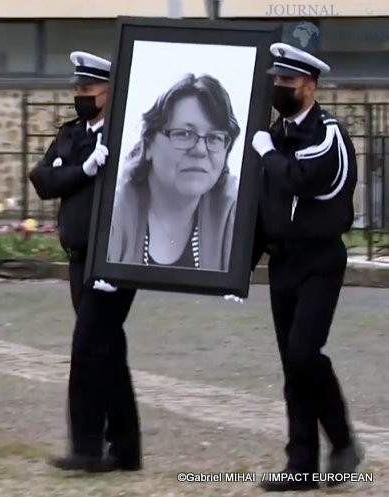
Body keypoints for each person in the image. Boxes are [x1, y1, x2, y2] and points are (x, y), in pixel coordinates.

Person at [249, 43, 363, 492]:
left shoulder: (327, 133)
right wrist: (241, 268)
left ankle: (343, 440)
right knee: (291, 365)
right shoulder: (274, 137)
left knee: (303, 353)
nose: (281, 88)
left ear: (310, 86)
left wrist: (266, 152)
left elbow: (302, 177)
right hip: (284, 263)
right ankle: (301, 465)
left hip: (320, 259)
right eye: (277, 81)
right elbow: (262, 207)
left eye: (289, 83)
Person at [28, 51, 142, 472]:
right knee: (107, 349)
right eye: (77, 89)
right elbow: (43, 180)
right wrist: (84, 170)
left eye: (89, 89)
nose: (82, 95)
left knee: (87, 346)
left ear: (109, 92)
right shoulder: (73, 135)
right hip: (79, 259)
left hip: (113, 258)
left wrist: (121, 257)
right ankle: (126, 449)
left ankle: (87, 447)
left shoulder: (125, 135)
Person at [107, 73, 241, 270]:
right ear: (149, 144)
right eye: (184, 134)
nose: (200, 150)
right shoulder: (114, 211)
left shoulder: (233, 211)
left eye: (214, 137)